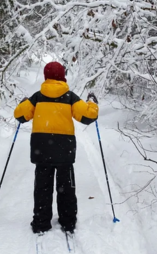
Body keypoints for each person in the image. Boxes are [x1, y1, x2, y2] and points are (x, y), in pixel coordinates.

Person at [14, 61, 99, 234]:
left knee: (42, 187)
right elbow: (88, 116)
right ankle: (68, 222)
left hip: (41, 149)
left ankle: (41, 222)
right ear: (62, 76)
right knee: (66, 187)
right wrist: (92, 102)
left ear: (46, 77)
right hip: (64, 151)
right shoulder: (70, 97)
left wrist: (23, 103)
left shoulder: (37, 97)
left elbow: (20, 115)